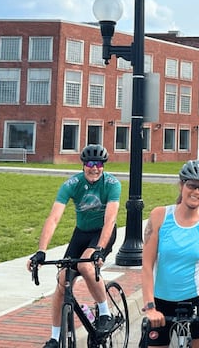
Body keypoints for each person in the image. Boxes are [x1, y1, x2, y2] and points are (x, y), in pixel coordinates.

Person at [27, 144, 121, 348]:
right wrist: (41, 251)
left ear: (103, 166)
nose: (94, 168)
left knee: (86, 266)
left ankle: (105, 314)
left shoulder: (112, 184)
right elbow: (53, 218)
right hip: (81, 233)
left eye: (98, 164)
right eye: (90, 164)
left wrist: (99, 250)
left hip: (102, 232)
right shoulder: (72, 184)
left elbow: (110, 220)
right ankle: (54, 338)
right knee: (62, 280)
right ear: (83, 165)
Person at [141, 160, 199, 347]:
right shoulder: (159, 216)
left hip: (194, 300)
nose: (196, 192)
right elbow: (147, 266)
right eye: (191, 185)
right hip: (160, 301)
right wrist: (149, 307)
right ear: (181, 185)